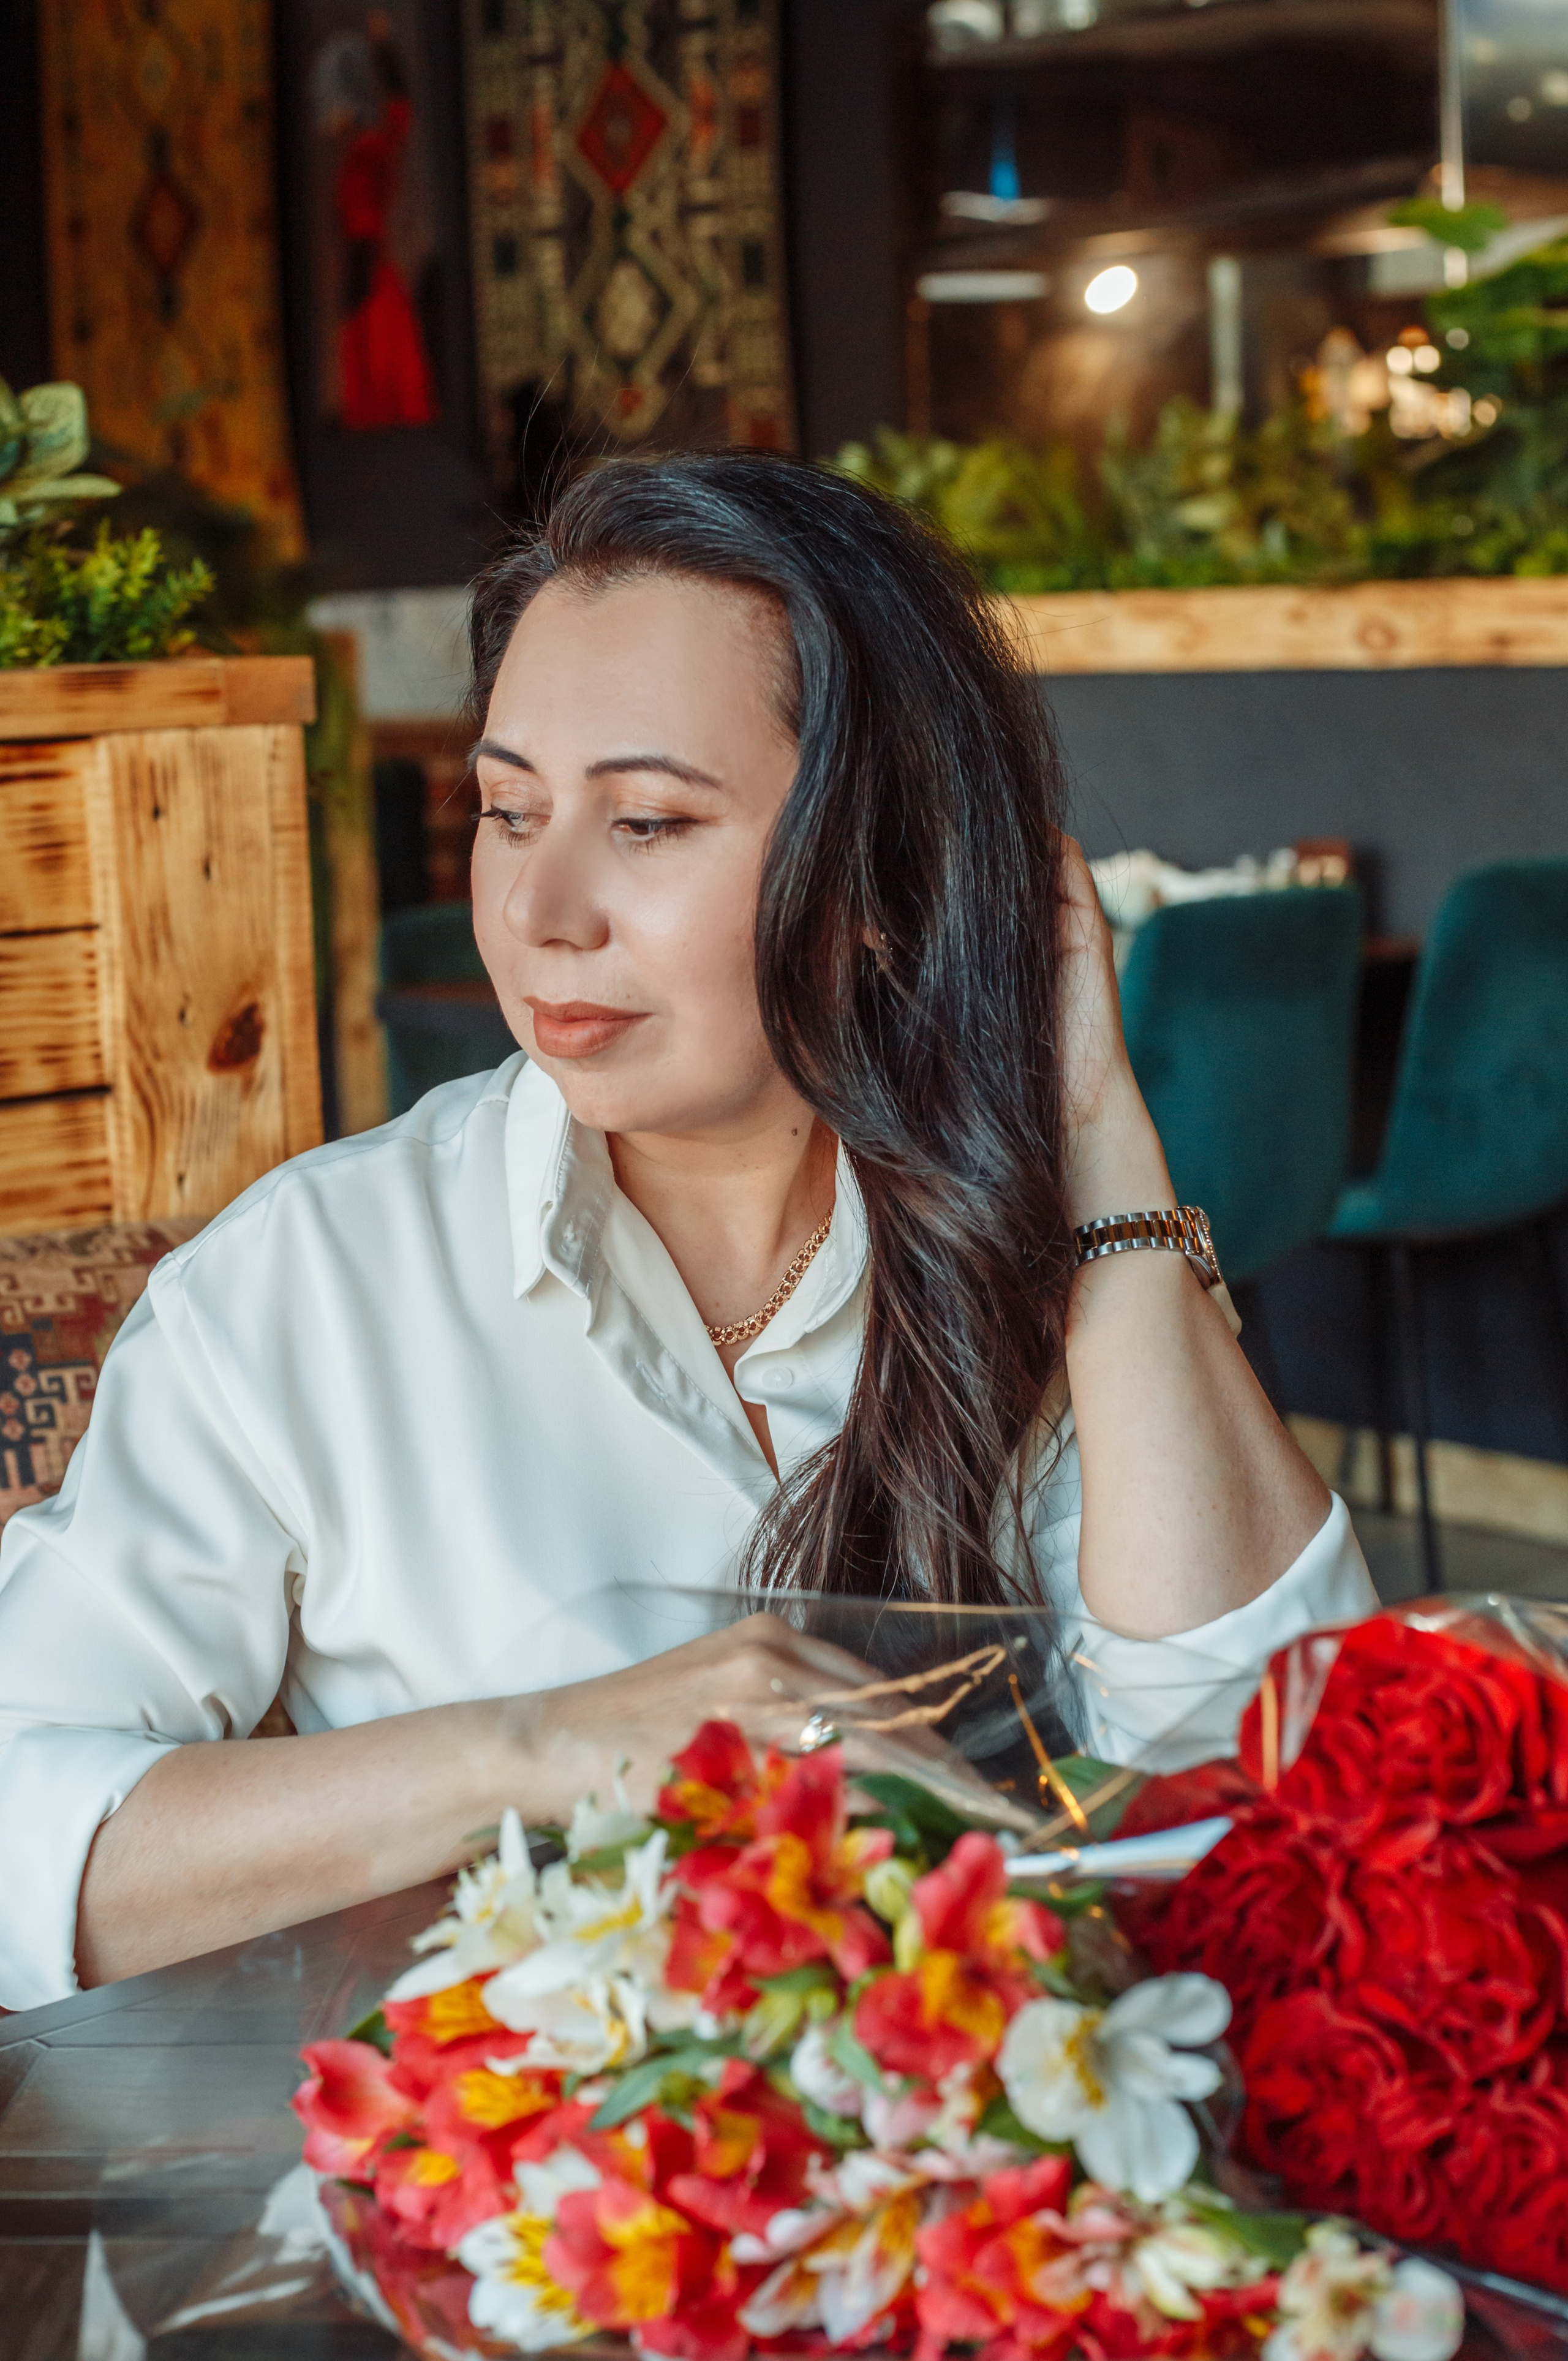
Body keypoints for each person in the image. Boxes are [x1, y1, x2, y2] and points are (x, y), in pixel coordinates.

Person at [0, 456, 1374, 2012]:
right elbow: (20, 1834)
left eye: (646, 821)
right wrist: (549, 1746)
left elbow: (1287, 1788)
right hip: (528, 2216)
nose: (538, 908)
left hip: (971, 2198)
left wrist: (1098, 1136)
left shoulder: (1010, 1249)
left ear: (886, 868)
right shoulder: (313, 1284)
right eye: (508, 810)